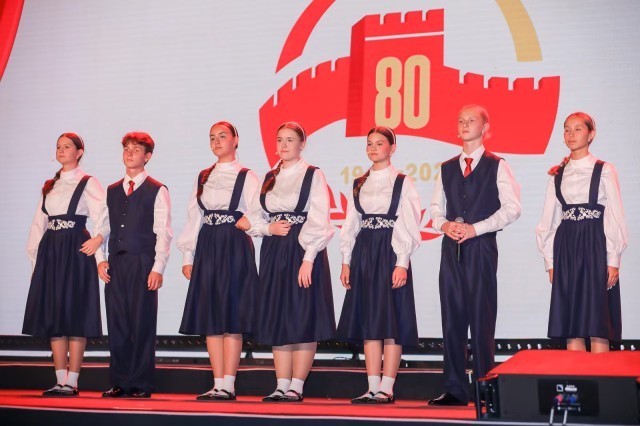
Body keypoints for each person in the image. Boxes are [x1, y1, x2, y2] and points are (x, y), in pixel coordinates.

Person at [429, 105, 521, 406]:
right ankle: (455, 389)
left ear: (485, 128)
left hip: (481, 247)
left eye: (471, 120)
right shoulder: (446, 168)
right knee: (452, 318)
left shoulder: (497, 165)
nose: (465, 125)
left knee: (482, 319)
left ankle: (486, 389)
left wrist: (476, 228)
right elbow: (435, 210)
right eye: (461, 120)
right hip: (451, 249)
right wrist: (444, 225)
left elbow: (512, 209)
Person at [237, 122, 335, 402]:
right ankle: (281, 384)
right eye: (280, 139)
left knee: (303, 315)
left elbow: (320, 218)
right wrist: (268, 229)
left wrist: (308, 258)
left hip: (302, 248)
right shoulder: (270, 176)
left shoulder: (313, 174)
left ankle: (297, 385)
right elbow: (252, 217)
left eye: (290, 140)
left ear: (302, 144)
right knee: (278, 314)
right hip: (274, 250)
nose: (283, 145)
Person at [337, 126, 421, 404]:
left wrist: (402, 262)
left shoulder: (402, 181)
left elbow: (409, 222)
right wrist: (346, 261)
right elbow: (351, 223)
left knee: (391, 319)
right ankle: (372, 386)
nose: (373, 149)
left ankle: (387, 387)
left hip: (389, 250)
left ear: (392, 148)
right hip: (364, 251)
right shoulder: (359, 182)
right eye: (369, 144)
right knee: (370, 319)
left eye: (379, 143)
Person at [177, 121, 260, 400]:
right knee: (211, 316)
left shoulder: (247, 175)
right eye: (212, 137)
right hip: (208, 244)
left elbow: (259, 209)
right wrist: (188, 255)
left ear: (236, 140)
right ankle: (217, 382)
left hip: (234, 243)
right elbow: (194, 216)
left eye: (222, 136)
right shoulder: (203, 176)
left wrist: (249, 221)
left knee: (231, 315)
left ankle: (229, 384)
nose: (216, 141)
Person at [23, 133, 108, 397]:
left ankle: (73, 380)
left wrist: (99, 246)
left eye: (67, 146)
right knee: (55, 314)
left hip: (75, 249)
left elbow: (103, 216)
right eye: (58, 147)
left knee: (75, 312)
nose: (61, 150)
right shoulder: (50, 185)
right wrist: (36, 263)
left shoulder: (88, 182)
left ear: (79, 152)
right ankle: (60, 379)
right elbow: (38, 224)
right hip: (51, 250)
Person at [536, 112, 627, 352]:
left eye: (578, 129)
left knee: (597, 321)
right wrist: (550, 261)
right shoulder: (557, 174)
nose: (571, 134)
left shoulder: (604, 170)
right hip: (567, 248)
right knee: (571, 322)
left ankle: (600, 374)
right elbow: (548, 221)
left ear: (591, 134)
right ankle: (575, 375)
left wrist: (613, 259)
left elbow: (615, 214)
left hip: (595, 245)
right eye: (567, 129)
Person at [97, 132, 172, 399]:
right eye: (126, 149)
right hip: (116, 263)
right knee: (117, 324)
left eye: (136, 149)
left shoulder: (157, 189)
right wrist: (100, 259)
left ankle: (141, 382)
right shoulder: (111, 190)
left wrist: (158, 267)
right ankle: (119, 381)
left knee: (142, 324)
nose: (129, 153)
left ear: (147, 156)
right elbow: (102, 228)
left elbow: (163, 232)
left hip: (142, 263)